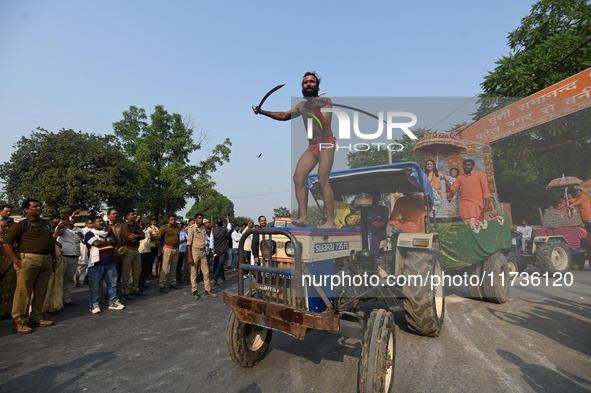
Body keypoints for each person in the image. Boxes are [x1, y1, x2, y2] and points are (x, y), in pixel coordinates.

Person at [253, 71, 336, 228]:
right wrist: (263, 112)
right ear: (303, 86)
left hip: (326, 144)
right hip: (312, 147)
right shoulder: (301, 106)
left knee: (323, 178)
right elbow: (284, 115)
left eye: (312, 82)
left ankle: (330, 221)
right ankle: (304, 217)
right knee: (298, 178)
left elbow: (325, 125)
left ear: (317, 85)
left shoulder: (325, 101)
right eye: (306, 82)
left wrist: (315, 109)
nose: (308, 84)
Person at [2, 199, 56, 333]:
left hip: (46, 259)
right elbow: (7, 243)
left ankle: (36, 317)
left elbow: (51, 241)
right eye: (35, 206)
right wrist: (16, 260)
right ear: (26, 209)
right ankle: (18, 321)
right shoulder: (22, 224)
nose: (39, 208)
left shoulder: (46, 223)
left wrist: (53, 258)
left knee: (41, 289)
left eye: (39, 206)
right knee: (23, 291)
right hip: (29, 260)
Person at [84, 217, 125, 313]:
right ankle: (94, 304)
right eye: (98, 221)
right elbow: (97, 243)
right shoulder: (89, 234)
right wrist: (109, 242)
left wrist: (111, 233)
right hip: (97, 264)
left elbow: (116, 242)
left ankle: (113, 302)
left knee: (112, 284)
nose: (101, 222)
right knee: (95, 286)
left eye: (102, 221)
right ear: (93, 224)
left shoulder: (107, 233)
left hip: (110, 262)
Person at [187, 213, 217, 300]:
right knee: (194, 273)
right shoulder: (192, 229)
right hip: (194, 251)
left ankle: (207, 290)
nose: (201, 220)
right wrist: (189, 256)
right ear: (196, 219)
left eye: (202, 218)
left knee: (206, 272)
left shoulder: (203, 228)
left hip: (203, 252)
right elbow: (189, 244)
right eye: (199, 218)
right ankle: (194, 291)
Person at [55, 211, 82, 306]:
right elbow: (58, 232)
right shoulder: (63, 228)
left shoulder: (79, 230)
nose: (72, 220)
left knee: (69, 279)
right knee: (60, 278)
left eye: (74, 218)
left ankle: (66, 299)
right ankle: (57, 300)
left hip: (74, 256)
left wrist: (81, 236)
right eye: (71, 218)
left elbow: (82, 240)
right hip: (64, 256)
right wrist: (66, 222)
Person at [119, 210, 145, 300]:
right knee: (126, 272)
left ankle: (135, 289)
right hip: (128, 249)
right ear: (127, 216)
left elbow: (143, 236)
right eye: (132, 214)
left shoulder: (137, 225)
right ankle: (126, 291)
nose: (134, 216)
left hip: (136, 250)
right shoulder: (124, 226)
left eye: (135, 214)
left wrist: (136, 236)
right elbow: (129, 238)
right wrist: (136, 236)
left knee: (137, 270)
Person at [157, 215, 181, 292]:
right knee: (165, 268)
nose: (173, 221)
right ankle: (162, 285)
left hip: (176, 250)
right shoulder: (165, 228)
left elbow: (178, 237)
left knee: (174, 268)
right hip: (167, 249)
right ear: (168, 220)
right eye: (171, 220)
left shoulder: (177, 228)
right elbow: (158, 239)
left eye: (174, 219)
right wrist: (161, 249)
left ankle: (173, 283)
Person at [211, 217, 232, 286]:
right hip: (223, 250)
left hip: (216, 250)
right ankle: (215, 277)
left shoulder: (213, 231)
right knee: (220, 264)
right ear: (223, 223)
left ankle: (222, 277)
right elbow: (229, 227)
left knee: (219, 264)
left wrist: (212, 250)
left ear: (216, 224)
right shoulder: (225, 230)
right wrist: (228, 220)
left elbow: (212, 241)